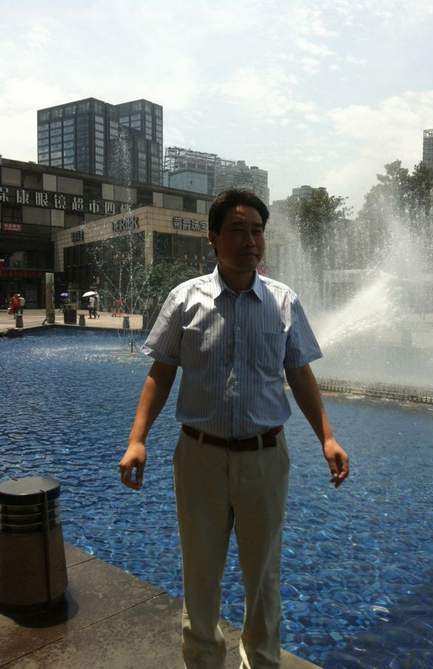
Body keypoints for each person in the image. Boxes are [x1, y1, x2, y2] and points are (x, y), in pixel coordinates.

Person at [119, 189, 349, 669]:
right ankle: (203, 661)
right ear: (213, 238)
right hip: (199, 456)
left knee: (263, 576)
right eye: (238, 231)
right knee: (201, 573)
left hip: (264, 457)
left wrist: (326, 436)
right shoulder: (185, 299)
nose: (251, 241)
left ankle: (260, 662)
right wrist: (137, 439)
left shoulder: (283, 302)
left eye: (258, 231)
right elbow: (161, 372)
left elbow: (299, 374)